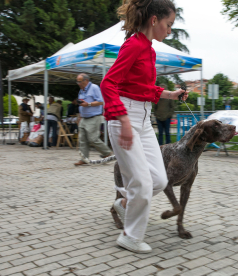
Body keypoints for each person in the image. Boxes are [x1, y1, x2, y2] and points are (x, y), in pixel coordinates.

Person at [100, 0, 188, 254]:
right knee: (140, 181)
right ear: (154, 21)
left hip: (143, 118)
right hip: (124, 117)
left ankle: (125, 204)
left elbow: (139, 88)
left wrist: (170, 94)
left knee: (159, 180)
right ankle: (130, 236)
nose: (170, 30)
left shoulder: (148, 49)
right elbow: (108, 84)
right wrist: (124, 121)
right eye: (168, 24)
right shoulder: (134, 45)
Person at [74, 73, 112, 166]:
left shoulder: (94, 88)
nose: (78, 83)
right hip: (84, 118)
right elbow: (81, 104)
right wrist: (80, 116)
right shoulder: (81, 90)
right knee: (82, 139)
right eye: (77, 81)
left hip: (94, 117)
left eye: (80, 81)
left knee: (93, 139)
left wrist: (88, 104)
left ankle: (106, 152)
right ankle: (84, 158)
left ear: (86, 80)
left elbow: (101, 101)